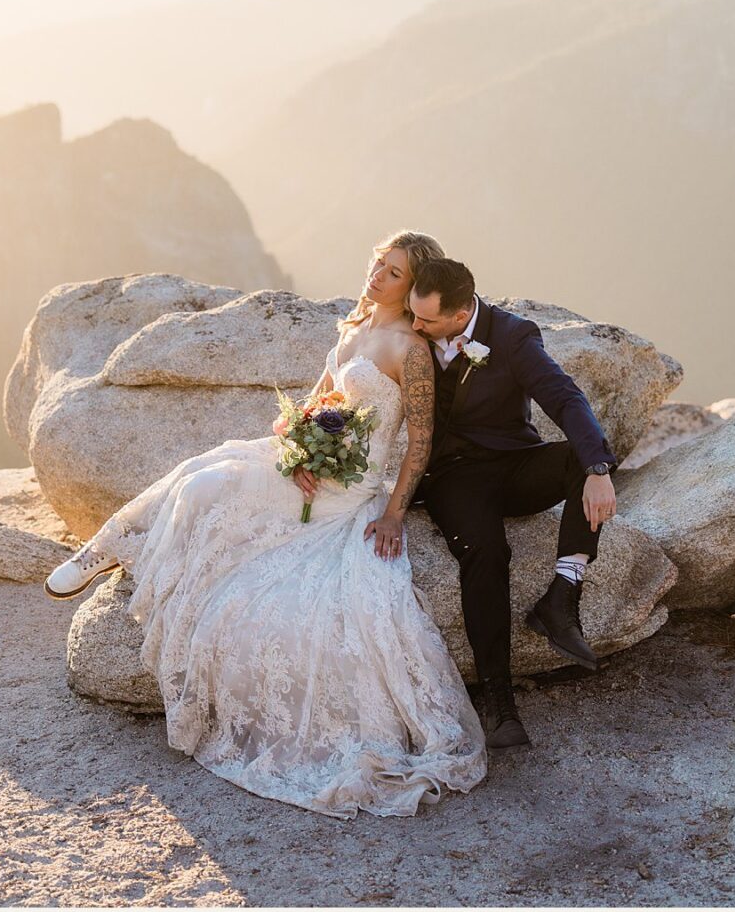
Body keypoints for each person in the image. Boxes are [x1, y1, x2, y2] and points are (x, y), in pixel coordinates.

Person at [43, 230, 486, 819]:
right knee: (204, 478)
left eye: (394, 272)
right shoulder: (353, 329)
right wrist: (299, 451)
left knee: (236, 540)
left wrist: (393, 513)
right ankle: (107, 548)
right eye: (379, 262)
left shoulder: (413, 352)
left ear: (414, 289)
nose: (377, 275)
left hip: (350, 492)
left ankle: (122, 550)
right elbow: (319, 403)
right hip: (309, 469)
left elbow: (419, 443)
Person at [406, 257, 618, 753]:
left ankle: (563, 595)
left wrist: (597, 471)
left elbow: (565, 399)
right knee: (487, 554)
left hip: (513, 462)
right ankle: (498, 700)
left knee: (581, 462)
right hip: (454, 477)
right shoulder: (411, 330)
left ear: (461, 316)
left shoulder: (514, 336)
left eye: (426, 320)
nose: (415, 326)